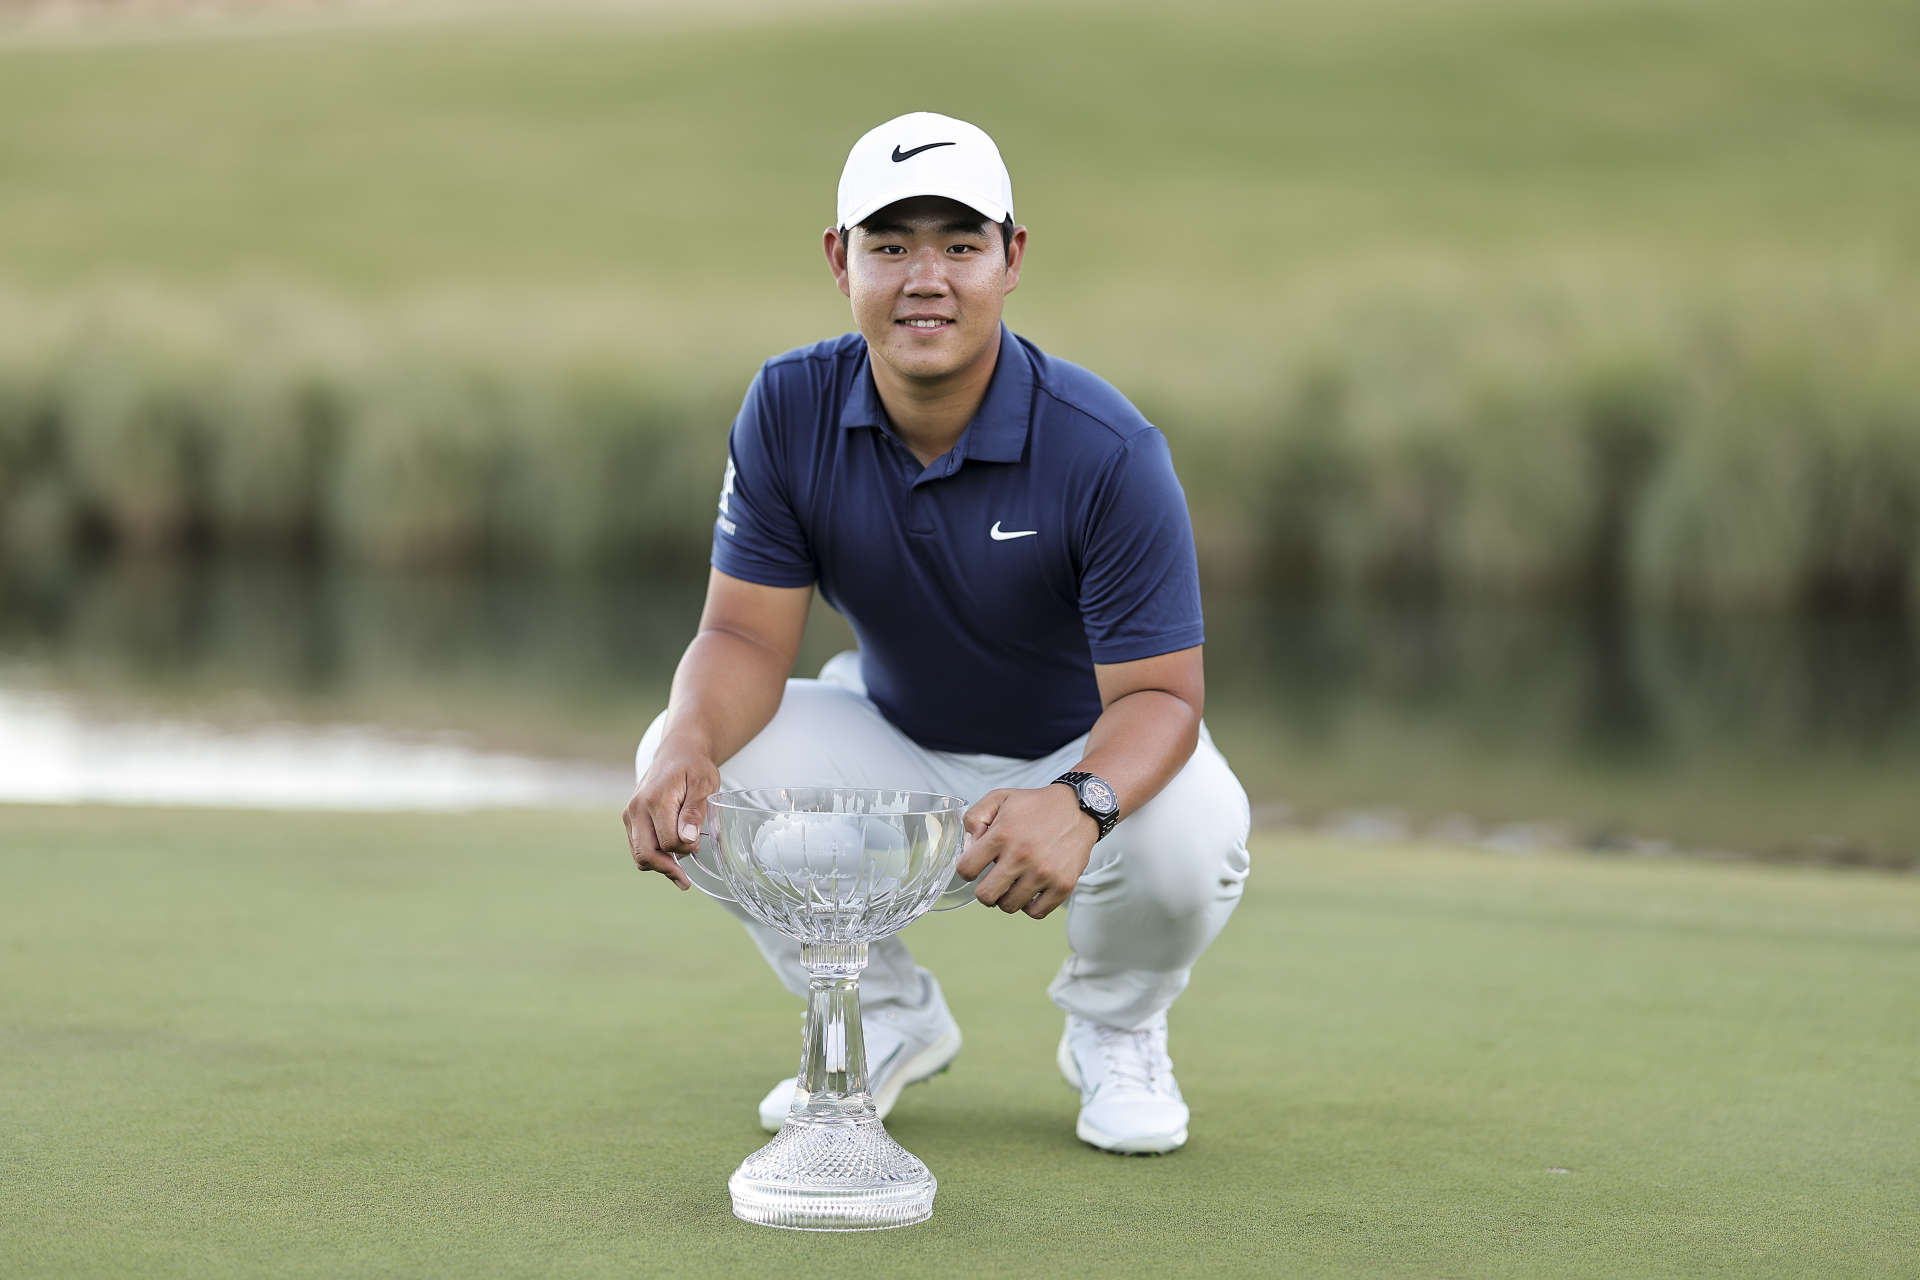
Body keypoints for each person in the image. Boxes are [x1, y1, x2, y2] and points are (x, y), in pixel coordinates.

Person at [624, 111, 1250, 1155]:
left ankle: (1117, 1023)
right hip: (898, 744)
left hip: (1082, 750)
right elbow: (741, 636)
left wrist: (1081, 800)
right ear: (841, 260)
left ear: (1010, 259)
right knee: (680, 751)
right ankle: (880, 1012)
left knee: (1191, 839)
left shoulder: (1106, 447)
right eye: (891, 244)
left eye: (960, 244)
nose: (927, 277)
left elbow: (1163, 697)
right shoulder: (788, 406)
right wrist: (690, 742)